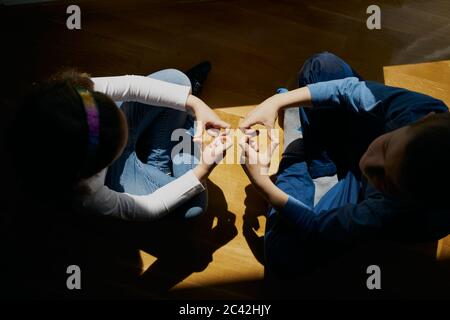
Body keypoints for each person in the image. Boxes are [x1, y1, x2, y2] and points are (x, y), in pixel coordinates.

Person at [239, 52, 450, 276]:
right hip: (368, 154)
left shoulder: (388, 211)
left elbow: (315, 227)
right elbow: (348, 90)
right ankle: (314, 152)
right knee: (323, 66)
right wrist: (275, 101)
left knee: (281, 256)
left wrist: (261, 183)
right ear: (424, 119)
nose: (368, 163)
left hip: (367, 198)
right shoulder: (418, 109)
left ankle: (302, 152)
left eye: (385, 179)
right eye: (387, 147)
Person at [12, 63, 232, 221]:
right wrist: (202, 170)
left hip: (100, 149)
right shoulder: (87, 194)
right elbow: (148, 209)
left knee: (178, 81)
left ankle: (172, 144)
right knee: (193, 208)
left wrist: (195, 104)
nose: (121, 106)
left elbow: (131, 87)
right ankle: (178, 140)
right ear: (100, 165)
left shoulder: (80, 97)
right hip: (115, 174)